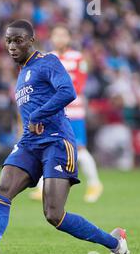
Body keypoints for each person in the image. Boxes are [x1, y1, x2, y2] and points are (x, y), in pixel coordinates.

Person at [0, 20, 130, 254]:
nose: (12, 46)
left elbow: (68, 91)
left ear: (31, 40)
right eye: (8, 41)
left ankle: (115, 243)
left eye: (18, 40)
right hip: (30, 143)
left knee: (53, 214)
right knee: (2, 190)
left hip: (57, 141)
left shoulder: (47, 61)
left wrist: (38, 116)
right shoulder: (22, 73)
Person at [30, 25, 103, 203]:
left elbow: (77, 86)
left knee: (79, 148)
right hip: (53, 111)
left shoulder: (78, 58)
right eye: (56, 35)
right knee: (46, 145)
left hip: (74, 111)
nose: (59, 38)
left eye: (63, 35)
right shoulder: (48, 58)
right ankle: (42, 188)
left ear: (69, 38)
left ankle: (95, 183)